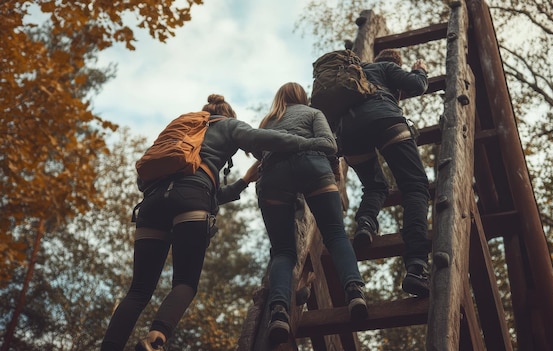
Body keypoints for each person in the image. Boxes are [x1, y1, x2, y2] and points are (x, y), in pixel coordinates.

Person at [100, 94, 337, 351]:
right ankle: (155, 339)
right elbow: (265, 139)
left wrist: (244, 181)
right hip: (192, 198)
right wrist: (309, 143)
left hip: (152, 202)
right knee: (184, 283)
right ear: (228, 114)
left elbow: (152, 179)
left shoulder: (182, 130)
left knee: (138, 291)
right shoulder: (227, 125)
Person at [256, 82, 367, 345]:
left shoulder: (268, 120)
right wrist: (334, 171)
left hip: (273, 177)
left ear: (279, 97)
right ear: (303, 98)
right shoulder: (313, 114)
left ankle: (279, 312)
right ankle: (354, 292)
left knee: (283, 251)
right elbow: (329, 145)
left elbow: (258, 151)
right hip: (314, 167)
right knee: (336, 235)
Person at [337, 48, 431, 298]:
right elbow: (417, 86)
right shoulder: (386, 67)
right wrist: (420, 69)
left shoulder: (353, 76)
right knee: (415, 187)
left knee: (375, 186)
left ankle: (366, 224)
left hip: (348, 134)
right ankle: (416, 267)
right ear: (395, 63)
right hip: (385, 120)